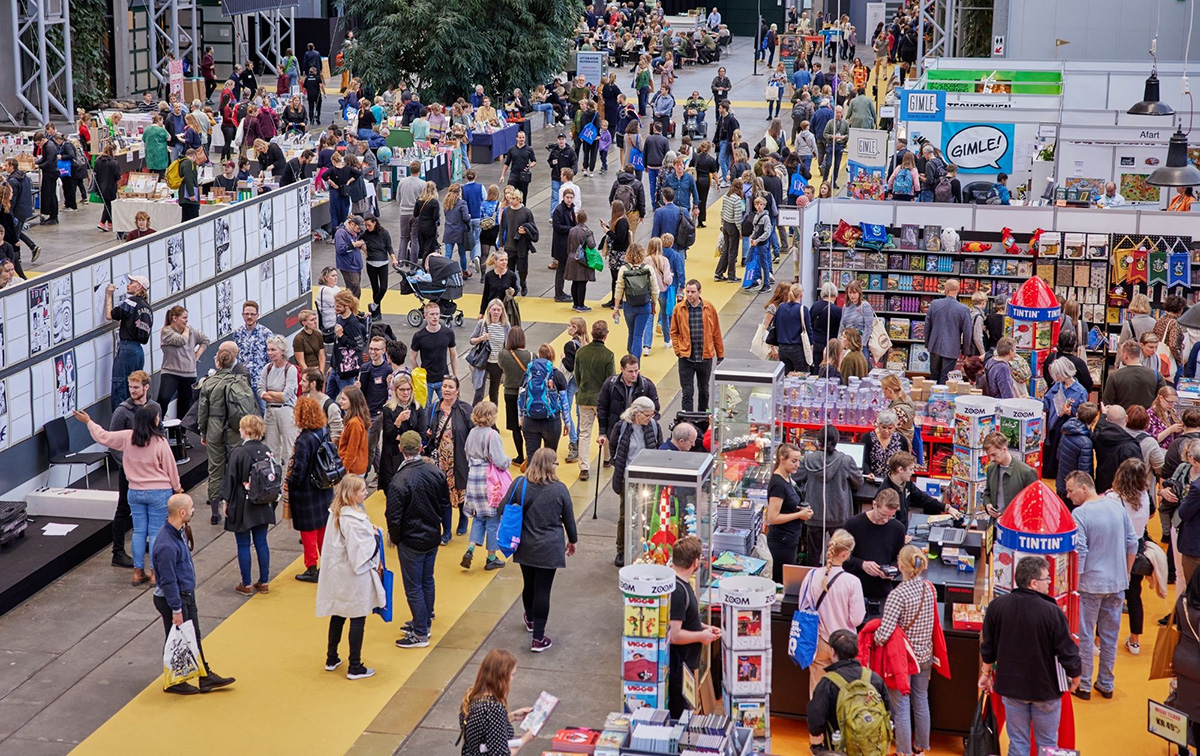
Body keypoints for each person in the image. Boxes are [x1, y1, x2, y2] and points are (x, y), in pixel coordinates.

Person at [979, 554, 1082, 755]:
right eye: (1046, 578)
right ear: (1034, 583)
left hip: (1011, 688)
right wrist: (1075, 675)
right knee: (1047, 743)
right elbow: (1066, 650)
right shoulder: (1052, 612)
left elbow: (988, 646)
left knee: (1017, 742)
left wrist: (986, 673)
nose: (1049, 582)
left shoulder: (998, 606)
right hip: (1045, 690)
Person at [75, 405, 180, 587]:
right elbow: (171, 468)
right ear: (153, 421)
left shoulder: (127, 437)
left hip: (135, 492)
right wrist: (178, 488)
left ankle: (138, 572)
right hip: (159, 493)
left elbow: (104, 436)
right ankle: (155, 574)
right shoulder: (160, 442)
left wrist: (89, 422)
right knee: (156, 533)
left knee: (139, 532)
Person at [1063, 470, 1138, 700]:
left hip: (1090, 585)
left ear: (1084, 488)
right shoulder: (1117, 507)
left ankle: (1084, 684)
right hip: (1117, 583)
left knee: (1085, 636)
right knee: (1110, 636)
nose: (1068, 495)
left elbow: (1081, 552)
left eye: (1071, 491)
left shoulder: (1080, 514)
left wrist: (1074, 583)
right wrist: (1125, 573)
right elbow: (1132, 542)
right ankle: (1106, 683)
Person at [152, 494, 236, 694]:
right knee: (177, 639)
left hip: (184, 594)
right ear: (182, 512)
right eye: (191, 508)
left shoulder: (177, 531)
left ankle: (204, 676)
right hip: (175, 598)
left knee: (192, 636)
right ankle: (174, 681)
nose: (194, 510)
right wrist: (176, 609)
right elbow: (168, 581)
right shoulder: (166, 545)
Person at [312, 474, 385, 681]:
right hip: (354, 576)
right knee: (357, 617)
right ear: (352, 494)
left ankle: (331, 657)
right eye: (362, 490)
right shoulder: (353, 520)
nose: (366, 493)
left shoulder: (336, 513)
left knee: (338, 614)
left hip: (338, 575)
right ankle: (355, 665)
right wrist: (376, 536)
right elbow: (361, 552)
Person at [508, 447, 579, 652]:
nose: (557, 466)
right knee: (543, 589)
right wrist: (572, 541)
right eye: (555, 463)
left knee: (529, 584)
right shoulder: (560, 489)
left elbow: (503, 507)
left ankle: (530, 619)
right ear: (549, 466)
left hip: (525, 545)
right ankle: (538, 638)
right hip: (550, 547)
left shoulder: (520, 484)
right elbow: (569, 520)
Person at [387, 430, 450, 649]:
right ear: (420, 448)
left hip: (411, 540)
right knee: (427, 580)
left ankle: (421, 632)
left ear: (401, 449)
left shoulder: (399, 481)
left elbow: (393, 517)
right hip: (432, 535)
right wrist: (444, 530)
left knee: (413, 586)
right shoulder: (435, 472)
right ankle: (424, 620)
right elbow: (445, 503)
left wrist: (397, 539)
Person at [873, 545, 937, 756]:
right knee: (921, 700)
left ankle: (903, 752)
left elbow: (884, 634)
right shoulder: (930, 588)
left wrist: (873, 637)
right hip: (925, 655)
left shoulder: (897, 595)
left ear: (900, 566)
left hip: (903, 660)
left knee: (901, 707)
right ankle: (920, 748)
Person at [107, 372, 161, 569]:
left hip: (149, 469)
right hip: (129, 470)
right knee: (124, 509)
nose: (132, 391)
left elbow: (160, 436)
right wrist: (126, 464)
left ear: (146, 387)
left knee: (146, 506)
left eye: (136, 387)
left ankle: (142, 541)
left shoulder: (154, 408)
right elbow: (112, 442)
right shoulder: (122, 412)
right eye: (130, 387)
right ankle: (118, 552)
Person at [807, 628, 889, 752]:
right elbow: (888, 712)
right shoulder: (874, 678)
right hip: (873, 749)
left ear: (832, 652)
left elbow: (815, 724)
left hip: (839, 748)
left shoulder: (828, 683)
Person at [197, 343, 253, 524]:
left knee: (215, 470)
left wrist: (203, 432)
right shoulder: (240, 381)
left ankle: (215, 513)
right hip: (235, 429)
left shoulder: (209, 383)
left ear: (218, 363)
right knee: (238, 467)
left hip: (214, 428)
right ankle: (238, 504)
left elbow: (202, 412)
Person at [667, 535, 721, 718]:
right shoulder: (678, 591)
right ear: (695, 562)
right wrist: (701, 636)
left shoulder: (680, 585)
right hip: (679, 666)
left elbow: (685, 619)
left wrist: (703, 627)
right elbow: (674, 635)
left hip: (684, 665)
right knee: (679, 715)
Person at [223, 414, 277, 596]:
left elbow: (230, 479)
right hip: (263, 502)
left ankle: (246, 584)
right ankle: (264, 581)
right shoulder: (267, 450)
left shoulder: (239, 452)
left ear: (246, 430)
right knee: (261, 542)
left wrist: (226, 502)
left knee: (243, 544)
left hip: (242, 504)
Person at [796, 425, 864, 566]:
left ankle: (814, 578)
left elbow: (796, 477)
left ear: (818, 440)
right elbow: (858, 482)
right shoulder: (846, 461)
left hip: (813, 514)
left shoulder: (809, 460)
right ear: (837, 440)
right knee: (839, 556)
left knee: (812, 557)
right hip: (839, 514)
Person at [609, 396, 663, 567]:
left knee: (648, 514)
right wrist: (618, 464)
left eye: (652, 415)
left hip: (647, 479)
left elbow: (659, 448)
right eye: (647, 415)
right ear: (636, 413)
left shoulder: (654, 426)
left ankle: (647, 548)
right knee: (625, 515)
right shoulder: (621, 427)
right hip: (628, 479)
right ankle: (621, 550)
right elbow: (613, 447)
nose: (650, 418)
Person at [289, 396, 337, 584]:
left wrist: (292, 484)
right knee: (323, 528)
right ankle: (328, 563)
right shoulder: (323, 431)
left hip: (307, 492)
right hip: (324, 487)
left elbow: (300, 468)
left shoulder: (304, 439)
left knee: (308, 531)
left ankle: (311, 568)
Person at [462, 401, 511, 572]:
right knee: (493, 519)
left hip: (473, 478)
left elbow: (466, 453)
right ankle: (491, 557)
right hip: (489, 480)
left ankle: (470, 549)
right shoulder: (492, 435)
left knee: (479, 517)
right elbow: (499, 461)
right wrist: (508, 461)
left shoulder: (472, 432)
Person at [459, 649, 537, 755]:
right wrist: (525, 739)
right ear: (502, 677)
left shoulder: (472, 696)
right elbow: (501, 754)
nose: (512, 679)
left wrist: (513, 716)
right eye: (512, 675)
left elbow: (483, 728)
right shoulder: (493, 708)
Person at [427, 376, 472, 542]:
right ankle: (446, 531)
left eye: (450, 387)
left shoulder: (465, 409)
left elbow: (473, 432)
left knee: (461, 492)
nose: (446, 390)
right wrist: (428, 433)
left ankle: (463, 518)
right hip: (440, 461)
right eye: (445, 386)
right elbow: (426, 428)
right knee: (443, 496)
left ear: (457, 390)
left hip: (460, 459)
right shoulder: (434, 408)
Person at [669, 280, 723, 413]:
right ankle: (687, 420)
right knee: (687, 392)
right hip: (686, 358)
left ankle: (702, 418)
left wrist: (720, 354)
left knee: (704, 390)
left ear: (699, 292)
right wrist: (678, 350)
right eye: (687, 291)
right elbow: (674, 331)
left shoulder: (709, 308)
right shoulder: (679, 309)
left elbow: (716, 332)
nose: (689, 294)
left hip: (705, 357)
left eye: (693, 292)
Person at [574, 320, 616, 481]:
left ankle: (584, 468)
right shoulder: (608, 355)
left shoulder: (581, 352)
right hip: (602, 400)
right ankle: (607, 458)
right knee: (605, 429)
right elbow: (610, 380)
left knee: (584, 433)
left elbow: (577, 376)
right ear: (606, 335)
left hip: (584, 398)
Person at [766, 443, 814, 581]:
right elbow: (773, 518)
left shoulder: (787, 478)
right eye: (794, 461)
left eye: (798, 461)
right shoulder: (778, 484)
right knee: (782, 580)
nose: (797, 465)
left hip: (789, 538)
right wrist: (799, 515)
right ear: (782, 459)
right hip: (782, 542)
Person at [105, 275, 153, 407]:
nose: (128, 285)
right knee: (136, 389)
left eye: (131, 282)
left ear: (138, 287)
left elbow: (109, 315)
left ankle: (120, 418)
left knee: (120, 387)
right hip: (139, 351)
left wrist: (109, 295)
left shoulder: (131, 302)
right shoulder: (148, 308)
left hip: (127, 349)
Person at [158, 306, 209, 420]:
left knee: (185, 405)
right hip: (170, 372)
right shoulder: (166, 332)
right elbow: (181, 340)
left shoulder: (191, 330)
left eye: (187, 318)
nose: (187, 321)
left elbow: (205, 340)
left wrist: (197, 355)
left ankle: (181, 429)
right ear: (174, 318)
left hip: (188, 373)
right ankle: (158, 423)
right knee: (163, 399)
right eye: (184, 318)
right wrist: (186, 330)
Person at [612, 243, 659, 358]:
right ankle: (635, 362)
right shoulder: (648, 269)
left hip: (629, 304)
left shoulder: (624, 269)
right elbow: (655, 289)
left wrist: (616, 308)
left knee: (631, 332)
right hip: (644, 304)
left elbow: (619, 289)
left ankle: (630, 356)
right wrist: (653, 302)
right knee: (638, 335)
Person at [410, 301, 458, 410]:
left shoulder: (448, 333)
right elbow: (412, 357)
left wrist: (455, 376)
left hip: (443, 379)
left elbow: (454, 355)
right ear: (425, 316)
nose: (435, 317)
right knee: (424, 410)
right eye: (432, 314)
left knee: (449, 408)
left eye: (437, 314)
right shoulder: (419, 336)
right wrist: (418, 375)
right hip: (426, 381)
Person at [259, 335, 299, 462]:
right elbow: (260, 391)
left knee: (289, 447)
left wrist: (269, 393)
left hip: (286, 411)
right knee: (271, 449)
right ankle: (274, 473)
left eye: (273, 350)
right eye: (268, 350)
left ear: (282, 351)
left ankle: (289, 473)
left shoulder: (290, 369)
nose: (270, 353)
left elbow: (286, 396)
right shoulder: (267, 368)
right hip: (269, 412)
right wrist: (276, 395)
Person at [924, 279, 971, 383]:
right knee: (945, 377)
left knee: (934, 376)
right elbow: (967, 333)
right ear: (958, 290)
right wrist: (965, 351)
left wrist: (928, 343)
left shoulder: (934, 304)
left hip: (934, 346)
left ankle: (932, 392)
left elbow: (927, 326)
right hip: (952, 348)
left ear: (946, 289)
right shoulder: (964, 309)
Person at [983, 432, 1039, 517]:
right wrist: (988, 505)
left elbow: (1034, 505)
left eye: (994, 454)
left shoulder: (1027, 473)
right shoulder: (991, 468)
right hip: (995, 522)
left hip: (1016, 524)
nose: (991, 459)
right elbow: (987, 492)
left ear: (1004, 449)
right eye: (989, 455)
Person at [231, 300, 273, 409]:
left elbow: (271, 358)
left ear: (257, 315)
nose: (249, 317)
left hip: (260, 381)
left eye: (252, 314)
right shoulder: (237, 333)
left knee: (264, 410)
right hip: (243, 382)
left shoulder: (266, 333)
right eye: (246, 314)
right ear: (242, 315)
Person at [1056, 402, 1098, 506]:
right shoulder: (1086, 443)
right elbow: (1085, 471)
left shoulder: (1066, 431)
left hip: (1061, 482)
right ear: (1094, 420)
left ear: (1077, 415)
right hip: (1075, 490)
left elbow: (1058, 455)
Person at [1103, 340, 1165, 410]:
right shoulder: (1156, 375)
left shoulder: (1114, 376)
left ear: (1125, 355)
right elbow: (1164, 398)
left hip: (1122, 415)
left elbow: (1107, 405)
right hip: (1147, 416)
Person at [501, 187, 538, 297]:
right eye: (510, 198)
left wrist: (525, 231)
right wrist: (501, 244)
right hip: (509, 245)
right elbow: (502, 228)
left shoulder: (526, 212)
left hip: (522, 246)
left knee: (522, 269)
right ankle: (514, 287)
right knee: (510, 270)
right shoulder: (506, 211)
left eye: (513, 198)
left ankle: (523, 282)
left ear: (519, 199)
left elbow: (533, 228)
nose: (511, 200)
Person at [862, 410, 909, 478]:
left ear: (895, 427)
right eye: (883, 427)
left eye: (890, 428)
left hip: (894, 480)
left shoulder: (901, 440)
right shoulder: (868, 438)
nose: (886, 431)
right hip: (873, 479)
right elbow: (864, 460)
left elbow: (905, 461)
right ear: (878, 425)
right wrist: (868, 473)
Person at [809, 281, 842, 366]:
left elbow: (810, 323)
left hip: (815, 341)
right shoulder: (837, 310)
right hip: (830, 344)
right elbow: (839, 328)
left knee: (817, 366)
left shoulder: (815, 306)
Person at [499, 129, 537, 202]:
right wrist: (502, 175)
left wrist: (530, 165)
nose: (521, 139)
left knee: (523, 195)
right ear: (516, 138)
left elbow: (534, 161)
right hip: (514, 175)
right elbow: (507, 163)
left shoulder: (529, 149)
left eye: (523, 137)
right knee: (510, 193)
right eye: (520, 137)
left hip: (524, 175)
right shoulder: (511, 149)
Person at [292, 309, 325, 377]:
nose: (315, 322)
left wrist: (321, 373)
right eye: (312, 320)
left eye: (315, 319)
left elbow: (322, 355)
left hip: (318, 370)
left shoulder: (318, 334)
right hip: (307, 372)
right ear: (304, 323)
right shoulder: (299, 338)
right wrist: (309, 376)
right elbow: (301, 362)